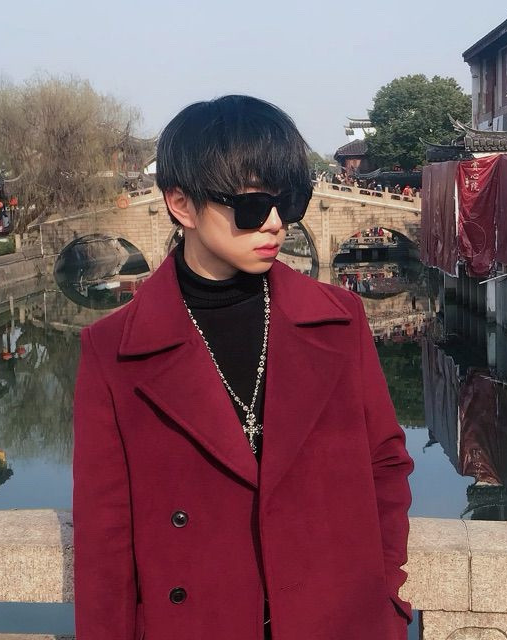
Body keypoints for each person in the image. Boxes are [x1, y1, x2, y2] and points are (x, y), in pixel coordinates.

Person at [73, 95, 413, 640]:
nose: (275, 224)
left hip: (339, 621)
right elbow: (104, 538)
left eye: (289, 202)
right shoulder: (111, 350)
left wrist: (384, 599)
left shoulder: (339, 319)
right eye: (253, 207)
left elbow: (386, 464)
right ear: (181, 205)